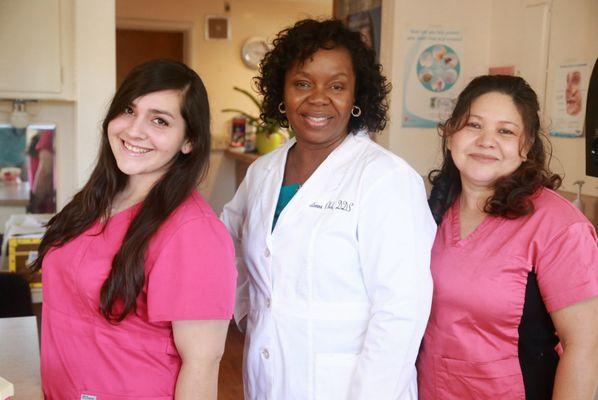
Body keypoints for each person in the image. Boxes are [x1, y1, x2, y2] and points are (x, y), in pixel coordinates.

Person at [221, 19, 436, 399]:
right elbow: (225, 244)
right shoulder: (263, 172)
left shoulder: (387, 179)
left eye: (337, 86)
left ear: (357, 96)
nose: (318, 98)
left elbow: (400, 312)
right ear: (281, 93)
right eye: (302, 83)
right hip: (268, 376)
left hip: (352, 386)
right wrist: (251, 311)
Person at [32, 59, 237, 399]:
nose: (134, 130)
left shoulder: (193, 234)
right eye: (128, 110)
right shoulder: (95, 202)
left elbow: (202, 363)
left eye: (160, 120)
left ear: (190, 141)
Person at [418, 75, 598, 399]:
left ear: (526, 145)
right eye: (473, 125)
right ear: (450, 134)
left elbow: (585, 347)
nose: (487, 141)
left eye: (505, 131)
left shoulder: (558, 227)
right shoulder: (429, 211)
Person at [27, 128, 56, 213]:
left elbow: (45, 172)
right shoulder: (41, 135)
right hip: (44, 202)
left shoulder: (48, 133)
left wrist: (34, 204)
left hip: (44, 204)